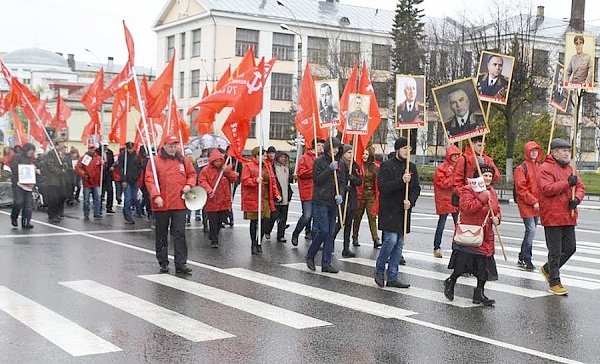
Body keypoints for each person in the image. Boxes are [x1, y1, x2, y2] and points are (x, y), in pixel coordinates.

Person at [444, 164, 501, 306]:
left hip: (486, 234)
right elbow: (466, 208)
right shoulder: (468, 190)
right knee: (462, 265)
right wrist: (482, 198)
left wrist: (497, 219)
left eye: (489, 176)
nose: (487, 178)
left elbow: (496, 209)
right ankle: (451, 281)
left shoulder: (492, 191)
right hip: (471, 233)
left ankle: (479, 294)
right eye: (485, 175)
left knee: (484, 268)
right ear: (478, 177)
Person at [537, 138, 586, 295]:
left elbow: (581, 187)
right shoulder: (545, 168)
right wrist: (567, 183)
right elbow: (546, 189)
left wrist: (576, 199)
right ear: (554, 152)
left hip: (568, 215)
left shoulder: (571, 169)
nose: (567, 153)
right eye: (563, 150)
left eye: (568, 150)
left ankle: (547, 269)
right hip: (552, 216)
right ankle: (554, 282)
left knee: (570, 248)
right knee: (555, 251)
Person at [146, 136, 196, 274]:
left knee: (180, 233)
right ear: (164, 145)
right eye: (170, 145)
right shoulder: (155, 161)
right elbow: (149, 179)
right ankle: (163, 262)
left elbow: (192, 174)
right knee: (161, 233)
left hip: (179, 203)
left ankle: (181, 263)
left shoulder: (183, 160)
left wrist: (189, 185)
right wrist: (156, 195)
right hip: (162, 203)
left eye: (175, 145)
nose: (173, 148)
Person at [374, 137, 420, 288]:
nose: (407, 151)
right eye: (404, 148)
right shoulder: (386, 165)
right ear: (397, 149)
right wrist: (401, 180)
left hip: (403, 210)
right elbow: (383, 187)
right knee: (390, 241)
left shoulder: (412, 167)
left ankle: (393, 276)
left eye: (409, 148)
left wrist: (411, 201)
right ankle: (379, 270)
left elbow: (415, 188)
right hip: (389, 209)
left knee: (399, 244)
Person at [306, 137, 344, 273]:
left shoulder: (340, 163)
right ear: (327, 148)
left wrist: (341, 195)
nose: (335, 150)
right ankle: (310, 255)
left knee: (330, 233)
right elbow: (318, 180)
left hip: (333, 201)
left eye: (337, 148)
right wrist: (329, 169)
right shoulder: (319, 162)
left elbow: (342, 182)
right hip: (321, 200)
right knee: (324, 230)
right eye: (333, 147)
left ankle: (326, 263)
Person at [242, 147, 281, 255]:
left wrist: (276, 193)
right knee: (254, 221)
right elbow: (245, 181)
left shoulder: (267, 166)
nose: (265, 157)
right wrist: (255, 180)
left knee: (266, 220)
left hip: (265, 197)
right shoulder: (248, 166)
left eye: (265, 155)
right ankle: (254, 243)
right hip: (254, 197)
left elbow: (272, 181)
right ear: (256, 156)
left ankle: (260, 240)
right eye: (263, 155)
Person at [198, 149, 239, 249]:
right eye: (216, 161)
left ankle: (214, 234)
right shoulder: (206, 170)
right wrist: (209, 190)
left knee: (221, 220)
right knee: (213, 220)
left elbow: (234, 179)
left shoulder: (224, 169)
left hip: (224, 201)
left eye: (220, 160)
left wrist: (228, 171)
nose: (218, 163)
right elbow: (202, 181)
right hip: (212, 200)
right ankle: (214, 239)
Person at [514, 141, 543, 271]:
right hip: (527, 204)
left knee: (531, 231)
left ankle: (522, 256)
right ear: (527, 152)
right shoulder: (521, 168)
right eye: (532, 150)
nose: (534, 153)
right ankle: (526, 258)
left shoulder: (540, 166)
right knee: (531, 230)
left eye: (536, 150)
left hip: (537, 204)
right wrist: (533, 201)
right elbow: (521, 189)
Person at [291, 139, 324, 246]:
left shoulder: (323, 158)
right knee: (307, 215)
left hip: (320, 192)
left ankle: (315, 242)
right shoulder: (305, 158)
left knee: (317, 218)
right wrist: (313, 170)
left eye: (322, 145)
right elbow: (300, 173)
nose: (320, 147)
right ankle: (296, 233)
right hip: (308, 191)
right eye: (318, 145)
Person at [432, 144, 461, 258]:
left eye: (457, 155)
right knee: (441, 225)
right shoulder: (442, 168)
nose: (455, 157)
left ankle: (457, 248)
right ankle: (437, 247)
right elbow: (442, 183)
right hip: (444, 200)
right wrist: (453, 177)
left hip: (455, 199)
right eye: (453, 155)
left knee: (458, 226)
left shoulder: (459, 167)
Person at [334, 144, 362, 258]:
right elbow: (337, 182)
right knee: (340, 222)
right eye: (349, 152)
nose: (351, 155)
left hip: (352, 198)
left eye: (352, 152)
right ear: (344, 154)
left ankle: (346, 248)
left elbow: (360, 181)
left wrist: (353, 178)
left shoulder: (354, 165)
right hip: (343, 198)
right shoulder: (339, 164)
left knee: (349, 224)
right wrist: (345, 187)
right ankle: (329, 242)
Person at [352, 146, 380, 248]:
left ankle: (376, 239)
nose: (364, 156)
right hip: (360, 194)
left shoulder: (376, 167)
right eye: (363, 154)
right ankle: (355, 237)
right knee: (357, 216)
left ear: (370, 156)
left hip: (371, 194)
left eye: (366, 154)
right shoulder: (359, 166)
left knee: (372, 217)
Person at [10, 143, 36, 229]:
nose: (31, 154)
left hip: (28, 184)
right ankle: (14, 216)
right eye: (30, 152)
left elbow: (35, 167)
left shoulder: (31, 159)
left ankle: (26, 222)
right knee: (18, 202)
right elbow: (13, 167)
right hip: (18, 183)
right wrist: (22, 169)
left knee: (28, 204)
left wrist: (35, 170)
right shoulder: (17, 157)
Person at [75, 142, 103, 220]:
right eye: (90, 148)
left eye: (93, 148)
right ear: (88, 149)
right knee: (86, 200)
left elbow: (101, 169)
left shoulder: (98, 158)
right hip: (87, 182)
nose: (92, 150)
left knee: (97, 198)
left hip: (96, 182)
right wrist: (84, 175)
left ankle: (97, 212)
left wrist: (103, 164)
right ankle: (86, 213)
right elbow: (78, 168)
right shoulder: (84, 158)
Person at [42, 144, 68, 223]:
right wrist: (60, 171)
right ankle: (52, 215)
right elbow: (51, 167)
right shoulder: (51, 154)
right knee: (53, 199)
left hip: (60, 181)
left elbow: (64, 164)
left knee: (59, 198)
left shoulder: (60, 154)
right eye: (61, 144)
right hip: (52, 181)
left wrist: (64, 166)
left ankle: (57, 214)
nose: (63, 146)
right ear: (57, 145)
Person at [117, 142, 142, 224]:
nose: (131, 150)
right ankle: (128, 216)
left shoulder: (137, 156)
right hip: (126, 180)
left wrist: (137, 176)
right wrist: (123, 180)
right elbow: (120, 168)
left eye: (132, 148)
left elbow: (139, 167)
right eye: (129, 148)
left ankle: (129, 211)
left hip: (134, 180)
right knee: (128, 199)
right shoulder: (122, 156)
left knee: (135, 198)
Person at [271, 151, 293, 243]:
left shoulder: (287, 168)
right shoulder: (273, 168)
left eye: (285, 157)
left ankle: (281, 235)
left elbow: (289, 181)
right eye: (281, 157)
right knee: (273, 216)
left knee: (283, 217)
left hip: (285, 196)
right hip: (277, 196)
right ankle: (267, 230)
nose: (283, 159)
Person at [263, 146, 277, 240]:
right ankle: (265, 231)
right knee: (269, 214)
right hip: (267, 193)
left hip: (274, 192)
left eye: (273, 153)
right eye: (270, 153)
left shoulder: (274, 164)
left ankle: (266, 230)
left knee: (274, 214)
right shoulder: (266, 164)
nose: (271, 155)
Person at [100, 140, 115, 214]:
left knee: (110, 191)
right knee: (100, 192)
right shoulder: (97, 152)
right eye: (104, 146)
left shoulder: (110, 152)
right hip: (100, 174)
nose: (105, 147)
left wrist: (112, 167)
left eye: (106, 145)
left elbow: (112, 162)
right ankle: (98, 207)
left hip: (108, 174)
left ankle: (109, 207)